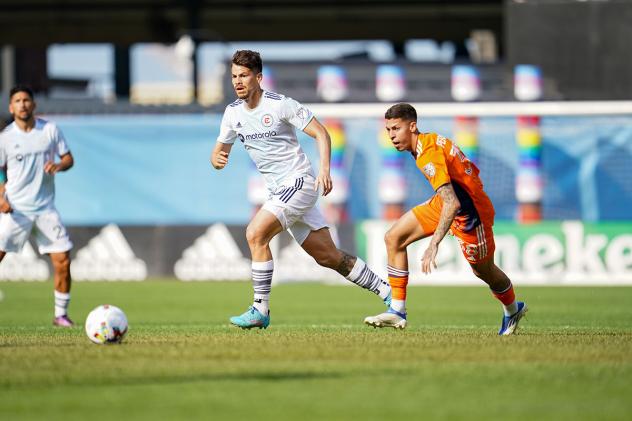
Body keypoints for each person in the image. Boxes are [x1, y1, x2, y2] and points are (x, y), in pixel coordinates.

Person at [211, 50, 391, 329]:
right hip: (279, 191)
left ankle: (260, 308)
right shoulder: (232, 113)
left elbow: (321, 132)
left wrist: (325, 170)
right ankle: (388, 292)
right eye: (234, 76)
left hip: (299, 182)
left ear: (258, 77)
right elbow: (219, 150)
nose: (238, 81)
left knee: (255, 233)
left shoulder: (281, 105)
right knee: (329, 257)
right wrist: (217, 159)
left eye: (244, 75)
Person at [364, 103, 527, 335]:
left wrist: (433, 244)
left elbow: (454, 203)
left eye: (396, 129)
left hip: (472, 215)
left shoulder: (427, 154)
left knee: (484, 271)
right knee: (394, 237)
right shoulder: (425, 144)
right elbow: (448, 199)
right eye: (388, 130)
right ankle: (397, 310)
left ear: (412, 126)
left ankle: (513, 309)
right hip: (447, 203)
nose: (391, 135)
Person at [0, 86, 75, 327]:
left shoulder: (50, 130)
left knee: (62, 259)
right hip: (16, 209)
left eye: (26, 100)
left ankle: (60, 315)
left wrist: (59, 166)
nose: (22, 104)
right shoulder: (5, 138)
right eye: (17, 101)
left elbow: (68, 158)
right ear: (11, 108)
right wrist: (1, 196)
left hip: (45, 209)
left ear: (34, 105)